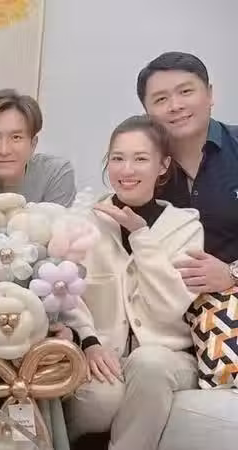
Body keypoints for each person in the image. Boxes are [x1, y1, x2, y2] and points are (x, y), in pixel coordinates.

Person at [63, 115, 203, 450]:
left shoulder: (185, 228)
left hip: (169, 357)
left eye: (140, 159)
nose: (127, 170)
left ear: (163, 165)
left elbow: (170, 307)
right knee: (101, 399)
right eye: (118, 158)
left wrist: (141, 236)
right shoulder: (84, 221)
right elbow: (66, 291)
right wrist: (89, 341)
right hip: (103, 353)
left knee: (149, 363)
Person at [136, 51, 238, 293]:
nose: (175, 106)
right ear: (147, 111)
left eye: (185, 92)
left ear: (209, 94)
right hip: (166, 304)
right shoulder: (141, 164)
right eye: (161, 99)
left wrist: (232, 273)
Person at [0, 88, 77, 221]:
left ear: (33, 144)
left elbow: (60, 230)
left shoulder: (55, 174)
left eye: (16, 137)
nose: (4, 151)